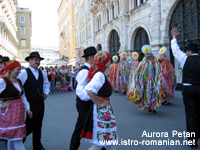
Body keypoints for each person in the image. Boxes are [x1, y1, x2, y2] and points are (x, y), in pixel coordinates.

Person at [80, 51, 118, 150]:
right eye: (108, 60)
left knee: (107, 142)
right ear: (104, 61)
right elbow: (89, 90)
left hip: (104, 109)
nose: (110, 61)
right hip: (102, 111)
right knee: (102, 143)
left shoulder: (100, 74)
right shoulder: (99, 75)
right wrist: (98, 103)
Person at [171, 27, 200, 147]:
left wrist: (174, 38)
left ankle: (192, 140)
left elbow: (175, 51)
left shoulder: (185, 59)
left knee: (190, 114)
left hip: (188, 89)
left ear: (189, 51)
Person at [18, 51, 50, 150]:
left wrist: (46, 93)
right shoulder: (24, 73)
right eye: (35, 60)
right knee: (30, 125)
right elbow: (19, 87)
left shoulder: (42, 72)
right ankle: (18, 142)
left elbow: (46, 84)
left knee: (39, 124)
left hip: (40, 102)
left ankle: (37, 145)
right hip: (30, 103)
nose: (37, 62)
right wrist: (25, 104)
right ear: (30, 60)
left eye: (38, 60)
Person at [69, 46, 98, 150]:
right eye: (96, 57)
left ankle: (73, 148)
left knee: (79, 128)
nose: (97, 59)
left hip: (86, 104)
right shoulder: (84, 72)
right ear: (91, 57)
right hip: (84, 104)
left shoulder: (88, 70)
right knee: (94, 127)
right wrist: (93, 97)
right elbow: (80, 91)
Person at [0, 60, 32, 150]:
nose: (19, 71)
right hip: (9, 113)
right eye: (18, 69)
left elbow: (22, 96)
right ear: (11, 69)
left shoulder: (18, 81)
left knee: (12, 137)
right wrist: (0, 105)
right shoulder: (3, 81)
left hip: (19, 112)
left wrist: (27, 109)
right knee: (17, 138)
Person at [127, 45, 163, 113]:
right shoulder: (147, 61)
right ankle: (150, 106)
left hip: (152, 81)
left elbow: (158, 70)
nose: (147, 56)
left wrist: (158, 78)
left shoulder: (153, 61)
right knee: (148, 93)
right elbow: (139, 71)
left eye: (147, 54)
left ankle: (153, 106)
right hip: (147, 81)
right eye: (146, 54)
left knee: (152, 92)